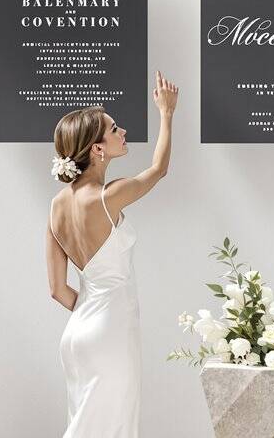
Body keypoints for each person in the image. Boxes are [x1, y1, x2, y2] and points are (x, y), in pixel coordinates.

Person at [45, 70, 179, 437]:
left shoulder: (57, 205)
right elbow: (159, 170)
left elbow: (57, 289)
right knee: (113, 427)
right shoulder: (107, 197)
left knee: (87, 426)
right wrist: (166, 113)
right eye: (114, 128)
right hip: (110, 333)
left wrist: (93, 309)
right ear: (97, 149)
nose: (123, 132)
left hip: (77, 336)